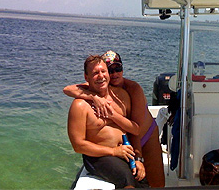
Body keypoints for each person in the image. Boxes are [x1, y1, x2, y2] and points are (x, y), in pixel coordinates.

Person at [64, 51, 165, 187]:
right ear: (87, 78)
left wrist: (138, 158)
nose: (114, 74)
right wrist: (93, 97)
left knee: (155, 182)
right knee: (130, 179)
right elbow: (68, 89)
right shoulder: (89, 95)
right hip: (119, 149)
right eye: (110, 70)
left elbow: (136, 129)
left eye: (118, 69)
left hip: (146, 133)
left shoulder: (130, 90)